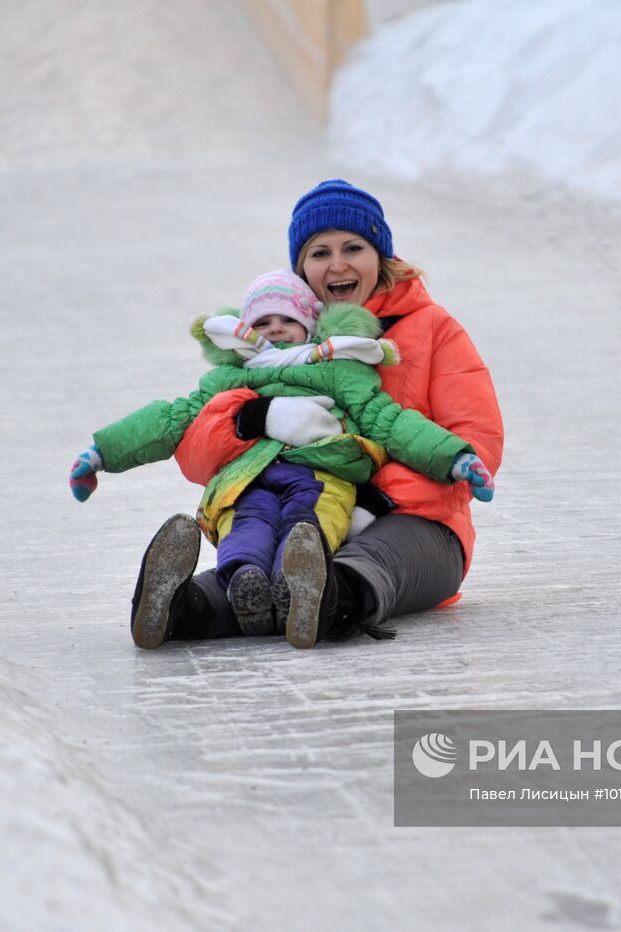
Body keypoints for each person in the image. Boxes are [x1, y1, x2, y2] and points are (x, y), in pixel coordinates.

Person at [109, 179, 504, 649]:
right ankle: (182, 608)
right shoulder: (282, 341)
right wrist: (255, 420)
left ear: (380, 255)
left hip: (418, 523)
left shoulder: (434, 330)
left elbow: (475, 440)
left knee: (363, 559)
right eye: (320, 253)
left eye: (353, 247)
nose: (337, 264)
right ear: (302, 268)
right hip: (308, 507)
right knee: (256, 564)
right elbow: (197, 456)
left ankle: (328, 596)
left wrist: (374, 503)